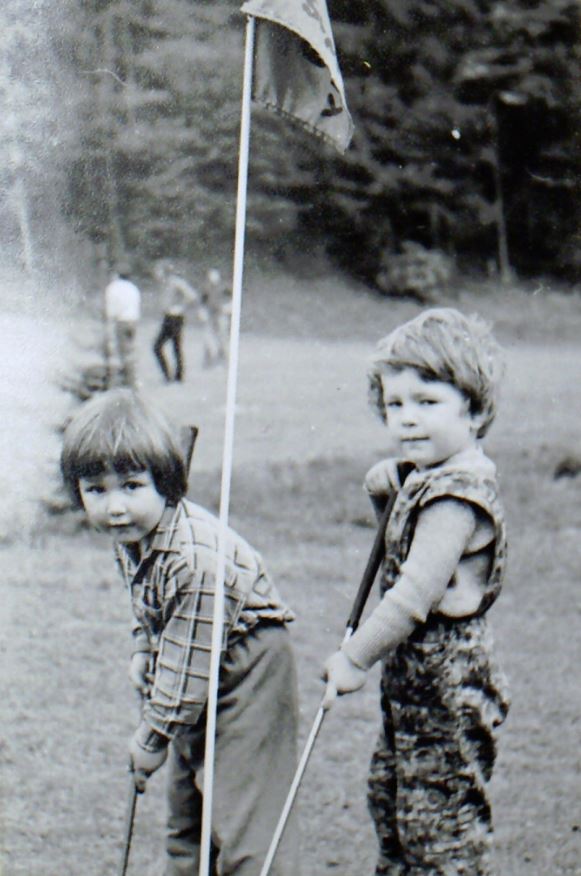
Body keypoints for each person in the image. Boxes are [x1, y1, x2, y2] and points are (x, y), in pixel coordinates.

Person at [60, 389, 300, 876]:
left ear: (165, 481)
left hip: (247, 663)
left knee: (241, 812)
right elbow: (149, 603)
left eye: (131, 485)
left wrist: (151, 739)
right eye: (96, 490)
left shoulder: (193, 560)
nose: (115, 507)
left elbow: (188, 671)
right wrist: (142, 647)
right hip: (192, 655)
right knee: (187, 811)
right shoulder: (133, 534)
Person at [322, 308, 510, 876]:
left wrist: (355, 657)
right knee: (391, 802)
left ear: (474, 411)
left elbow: (412, 595)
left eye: (427, 402)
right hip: (413, 687)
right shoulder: (428, 478)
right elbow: (400, 538)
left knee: (440, 832)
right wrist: (392, 494)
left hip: (448, 694)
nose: (407, 419)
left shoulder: (457, 497)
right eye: (395, 404)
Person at [153, 260, 199, 382]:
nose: (156, 274)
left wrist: (181, 307)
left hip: (175, 317)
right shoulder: (164, 283)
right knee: (159, 347)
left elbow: (192, 296)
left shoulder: (176, 282)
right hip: (168, 317)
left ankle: (177, 376)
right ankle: (169, 375)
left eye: (158, 271)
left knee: (174, 347)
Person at [104, 263, 141, 387]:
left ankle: (123, 380)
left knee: (119, 351)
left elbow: (111, 309)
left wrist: (109, 322)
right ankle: (130, 377)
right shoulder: (133, 288)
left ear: (116, 275)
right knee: (130, 350)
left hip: (120, 321)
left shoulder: (113, 288)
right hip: (133, 321)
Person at [198, 269, 231, 368]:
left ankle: (223, 358)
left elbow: (230, 299)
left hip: (220, 314)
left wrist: (226, 308)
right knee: (208, 337)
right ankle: (208, 360)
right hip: (210, 315)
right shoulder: (206, 289)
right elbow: (202, 302)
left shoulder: (224, 288)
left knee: (222, 337)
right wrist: (202, 312)